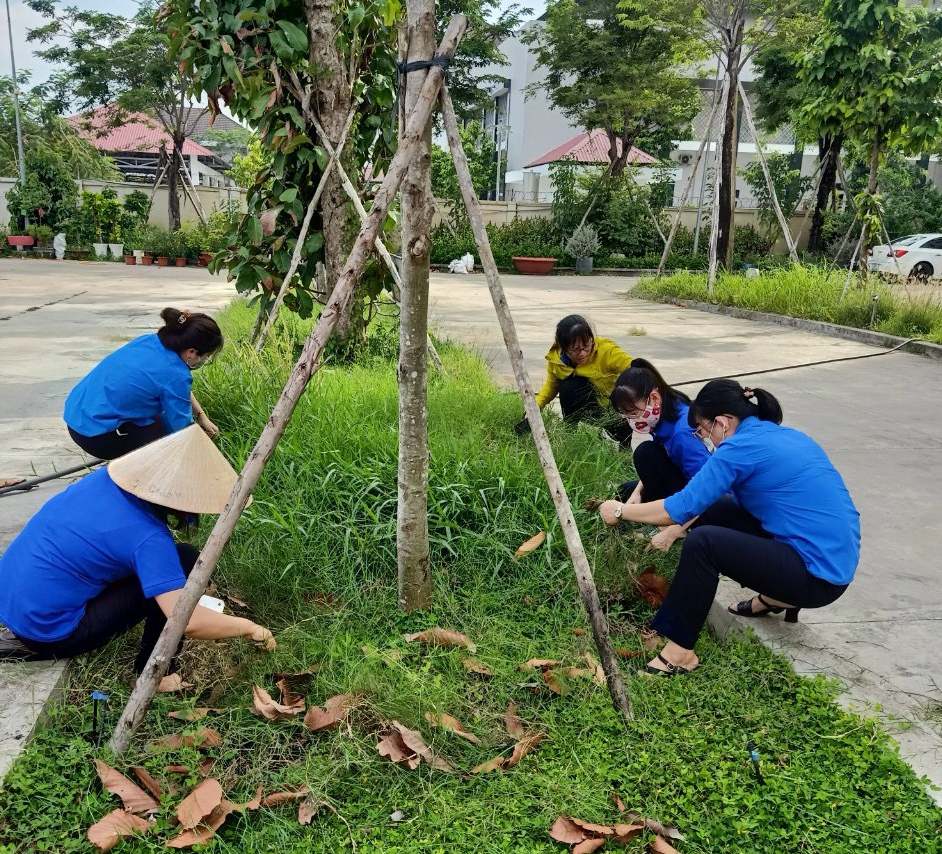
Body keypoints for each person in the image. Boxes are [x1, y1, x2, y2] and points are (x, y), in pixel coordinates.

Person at [598, 379, 860, 676]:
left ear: (722, 422)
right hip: (831, 557)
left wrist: (620, 510)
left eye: (703, 430)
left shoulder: (739, 447)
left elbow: (680, 507)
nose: (704, 438)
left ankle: (680, 653)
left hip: (819, 577)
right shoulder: (783, 435)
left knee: (705, 543)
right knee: (719, 507)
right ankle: (778, 598)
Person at [0, 425, 275, 671]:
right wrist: (250, 629)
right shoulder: (148, 538)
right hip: (49, 632)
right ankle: (156, 672)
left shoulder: (103, 479)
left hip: (12, 601)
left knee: (167, 567)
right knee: (185, 560)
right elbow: (188, 622)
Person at [64, 308, 223, 460]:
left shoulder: (150, 341)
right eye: (206, 356)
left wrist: (201, 416)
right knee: (170, 438)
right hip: (96, 437)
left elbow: (178, 390)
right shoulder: (176, 375)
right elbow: (183, 430)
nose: (204, 361)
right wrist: (205, 452)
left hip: (77, 415)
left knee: (162, 416)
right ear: (192, 352)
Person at [610, 358, 712, 550]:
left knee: (645, 454)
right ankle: (659, 514)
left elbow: (710, 489)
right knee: (625, 491)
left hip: (707, 505)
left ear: (654, 398)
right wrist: (637, 494)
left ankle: (670, 524)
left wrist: (673, 530)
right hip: (682, 479)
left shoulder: (683, 434)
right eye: (626, 415)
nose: (631, 421)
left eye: (633, 413)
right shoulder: (667, 410)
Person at [514, 315, 633, 444]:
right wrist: (535, 407)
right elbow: (551, 387)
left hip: (613, 409)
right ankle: (571, 434)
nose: (582, 353)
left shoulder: (606, 351)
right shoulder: (556, 360)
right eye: (575, 350)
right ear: (563, 348)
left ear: (592, 339)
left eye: (586, 346)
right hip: (589, 409)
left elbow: (636, 370)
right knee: (568, 386)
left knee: (628, 441)